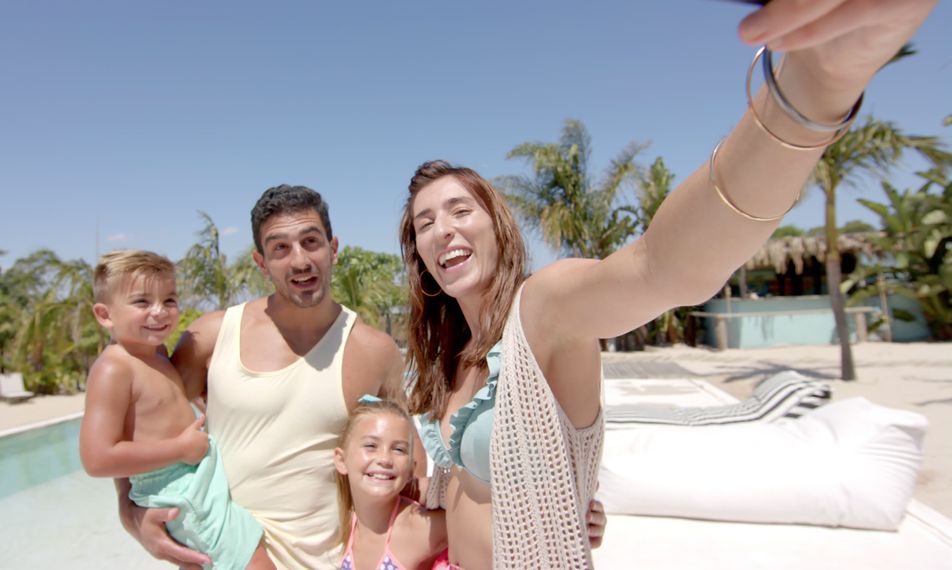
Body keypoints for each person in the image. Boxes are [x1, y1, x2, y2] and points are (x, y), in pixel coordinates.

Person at [399, 2, 938, 568]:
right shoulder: (449, 357)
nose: (443, 230)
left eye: (460, 209)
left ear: (498, 226)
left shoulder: (543, 311)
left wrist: (814, 89)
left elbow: (662, 266)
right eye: (425, 223)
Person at [117, 186, 410, 569]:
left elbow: (408, 462)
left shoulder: (375, 351)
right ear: (261, 261)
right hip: (224, 557)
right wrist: (131, 514)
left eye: (311, 242)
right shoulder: (212, 336)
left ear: (333, 247)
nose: (300, 260)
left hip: (329, 560)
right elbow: (140, 426)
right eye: (280, 248)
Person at [79, 250, 274, 570]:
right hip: (176, 487)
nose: (159, 312)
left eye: (169, 300)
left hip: (191, 478)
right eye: (142, 302)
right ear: (105, 315)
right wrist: (178, 449)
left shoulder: (155, 352)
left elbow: (158, 403)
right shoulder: (113, 368)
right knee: (252, 562)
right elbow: (97, 459)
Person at [333, 398, 447, 570]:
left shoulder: (422, 528)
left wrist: (433, 487)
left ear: (410, 470)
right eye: (371, 446)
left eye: (399, 449)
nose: (385, 459)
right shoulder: (339, 528)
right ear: (341, 460)